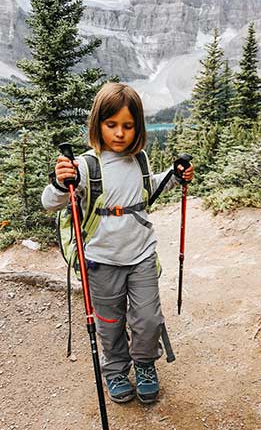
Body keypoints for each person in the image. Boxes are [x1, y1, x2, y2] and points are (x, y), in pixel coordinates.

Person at [41, 82, 194, 404]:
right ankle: (115, 370)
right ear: (97, 124)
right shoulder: (85, 166)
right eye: (112, 125)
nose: (120, 133)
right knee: (110, 322)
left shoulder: (140, 160)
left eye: (128, 125)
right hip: (100, 260)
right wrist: (58, 182)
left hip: (141, 255)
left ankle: (144, 364)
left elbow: (146, 189)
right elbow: (50, 202)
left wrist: (174, 176)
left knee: (148, 319)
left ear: (138, 127)